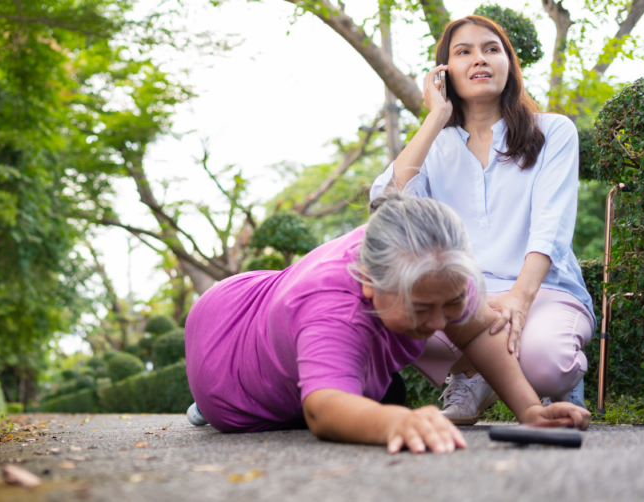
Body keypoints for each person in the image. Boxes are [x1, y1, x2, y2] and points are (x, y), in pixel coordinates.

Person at [183, 194, 589, 453]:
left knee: (377, 396)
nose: (437, 324)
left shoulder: (435, 260)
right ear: (370, 282)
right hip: (224, 354)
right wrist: (400, 421)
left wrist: (531, 411)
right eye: (421, 308)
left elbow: (479, 329)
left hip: (275, 308)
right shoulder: (332, 303)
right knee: (378, 405)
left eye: (449, 305)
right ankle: (203, 406)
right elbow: (323, 412)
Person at [368, 15, 595, 424]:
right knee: (391, 324)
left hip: (543, 289)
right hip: (463, 299)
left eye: (492, 49)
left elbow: (552, 227)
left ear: (509, 64)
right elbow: (386, 207)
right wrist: (435, 118)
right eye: (464, 52)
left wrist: (518, 300)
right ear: (444, 73)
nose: (480, 59)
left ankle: (558, 385)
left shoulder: (554, 131)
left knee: (549, 363)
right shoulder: (434, 147)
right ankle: (472, 373)